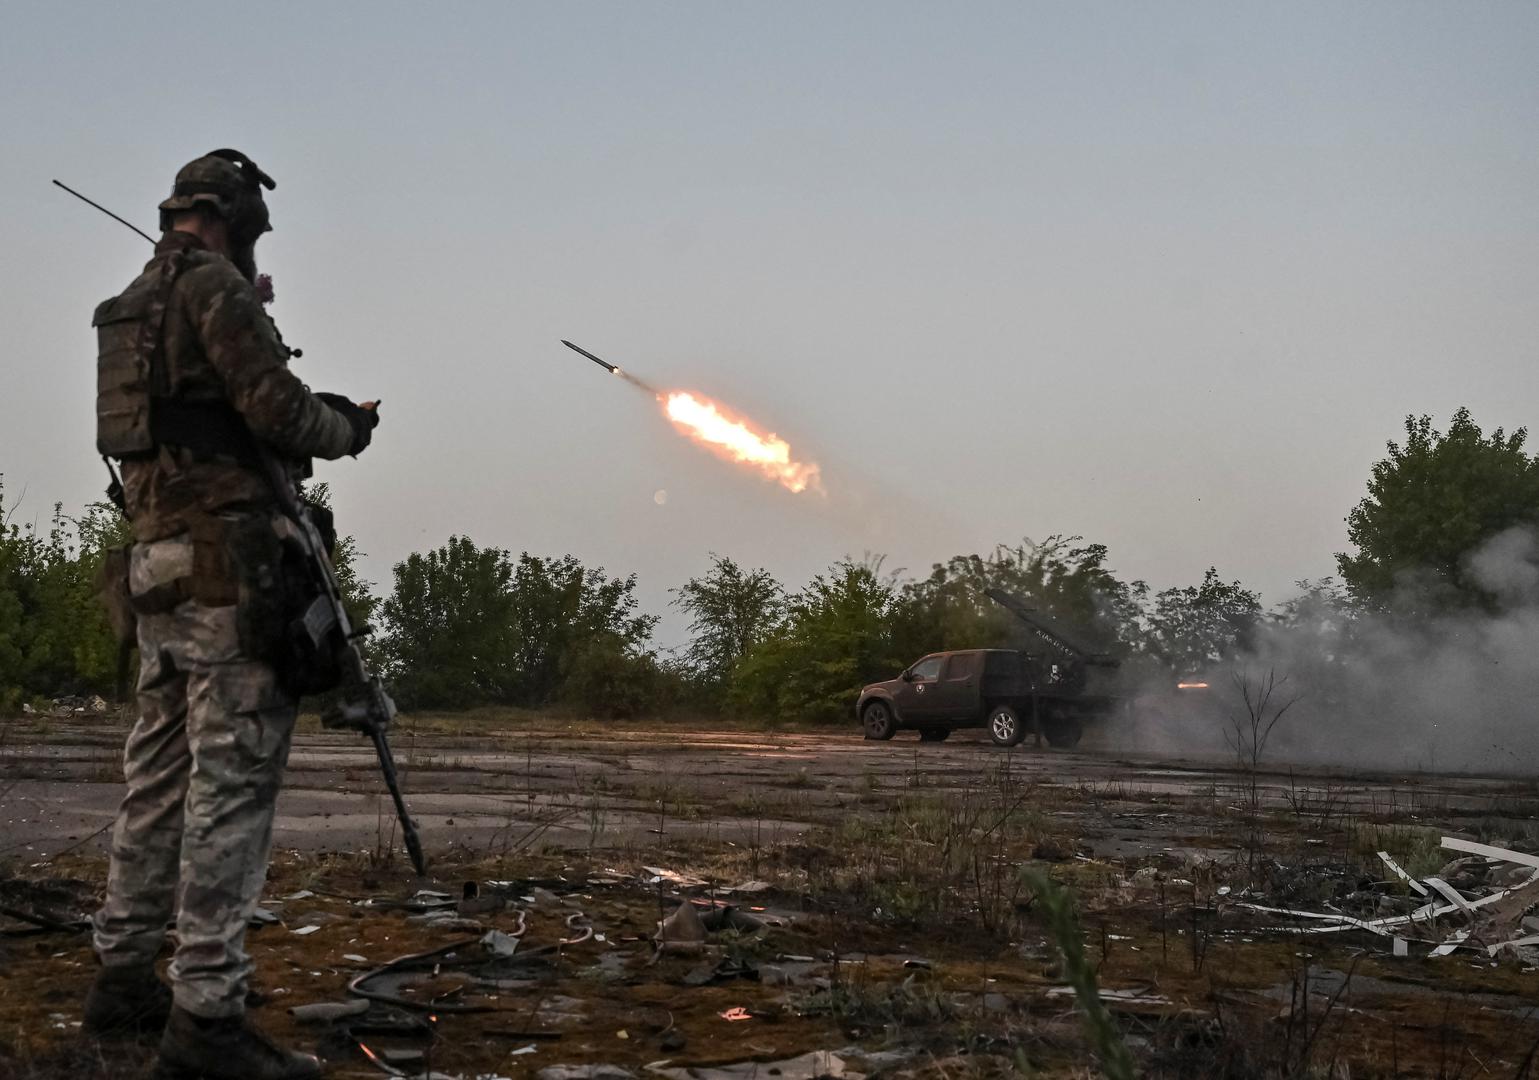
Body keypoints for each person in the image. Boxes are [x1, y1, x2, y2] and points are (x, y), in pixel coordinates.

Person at [83, 149, 379, 1080]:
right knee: (229, 789)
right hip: (231, 573)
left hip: (156, 571)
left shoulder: (128, 306)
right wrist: (346, 426)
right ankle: (205, 1019)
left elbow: (173, 423)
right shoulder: (213, 289)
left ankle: (122, 981)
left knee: (156, 781)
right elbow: (276, 414)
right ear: (234, 215)